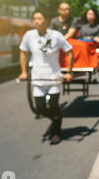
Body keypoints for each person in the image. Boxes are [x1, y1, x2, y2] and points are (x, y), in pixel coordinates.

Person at [18, 11, 74, 145]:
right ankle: (56, 119)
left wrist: (69, 72)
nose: (36, 21)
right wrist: (24, 72)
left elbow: (69, 52)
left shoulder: (56, 35)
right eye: (34, 18)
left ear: (47, 20)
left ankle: (57, 132)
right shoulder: (29, 35)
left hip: (54, 78)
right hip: (38, 78)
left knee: (54, 106)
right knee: (40, 108)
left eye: (39, 18)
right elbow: (23, 53)